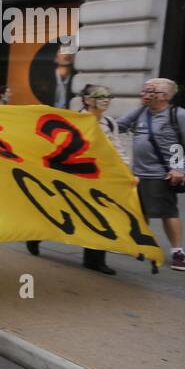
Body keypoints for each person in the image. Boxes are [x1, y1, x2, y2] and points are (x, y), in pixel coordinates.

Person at [117, 78, 185, 272]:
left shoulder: (180, 116)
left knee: (168, 212)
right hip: (137, 173)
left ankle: (178, 253)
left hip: (161, 174)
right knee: (140, 212)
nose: (144, 94)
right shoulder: (142, 112)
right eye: (144, 90)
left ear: (164, 96)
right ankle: (141, 245)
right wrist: (141, 105)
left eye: (150, 91)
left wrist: (180, 169)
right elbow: (118, 127)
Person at [73, 84, 131, 275]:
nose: (106, 100)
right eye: (100, 96)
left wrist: (126, 170)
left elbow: (117, 148)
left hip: (101, 177)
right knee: (69, 213)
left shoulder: (110, 123)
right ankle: (37, 237)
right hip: (76, 175)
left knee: (102, 215)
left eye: (108, 96)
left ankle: (95, 259)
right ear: (88, 100)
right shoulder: (74, 120)